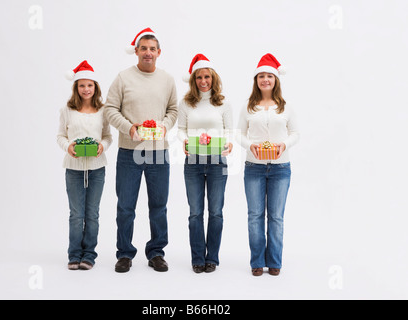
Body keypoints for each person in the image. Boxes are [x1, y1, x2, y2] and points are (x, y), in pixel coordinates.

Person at [104, 28, 178, 273]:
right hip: (129, 151)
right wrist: (129, 128)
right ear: (136, 51)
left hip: (158, 151)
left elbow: (173, 110)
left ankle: (156, 252)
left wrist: (165, 127)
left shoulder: (167, 80)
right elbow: (110, 109)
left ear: (159, 52)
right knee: (126, 205)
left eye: (152, 49)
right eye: (143, 48)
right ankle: (124, 253)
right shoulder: (123, 78)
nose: (148, 52)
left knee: (159, 205)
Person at [237, 53, 299, 276]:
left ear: (275, 80)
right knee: (255, 215)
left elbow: (295, 133)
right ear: (256, 80)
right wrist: (250, 146)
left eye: (269, 76)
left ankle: (274, 261)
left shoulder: (285, 106)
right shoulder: (248, 106)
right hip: (254, 167)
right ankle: (256, 262)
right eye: (261, 76)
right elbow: (239, 134)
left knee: (276, 216)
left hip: (281, 168)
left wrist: (283, 144)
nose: (265, 80)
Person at [178, 54, 233, 273]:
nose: (203, 81)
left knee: (216, 212)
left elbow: (229, 131)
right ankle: (197, 258)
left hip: (217, 161)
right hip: (193, 161)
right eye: (199, 77)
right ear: (193, 80)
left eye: (207, 77)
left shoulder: (222, 103)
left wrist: (228, 145)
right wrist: (184, 141)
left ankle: (212, 258)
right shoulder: (186, 103)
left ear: (213, 78)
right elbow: (181, 129)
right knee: (195, 212)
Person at [57, 60, 113, 270]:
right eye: (82, 85)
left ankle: (89, 255)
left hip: (97, 167)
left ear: (95, 87)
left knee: (92, 213)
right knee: (76, 213)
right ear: (76, 88)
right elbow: (60, 135)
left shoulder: (103, 110)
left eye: (90, 85)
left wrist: (102, 146)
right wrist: (68, 146)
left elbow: (107, 136)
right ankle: (74, 254)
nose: (86, 89)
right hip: (73, 167)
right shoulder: (67, 110)